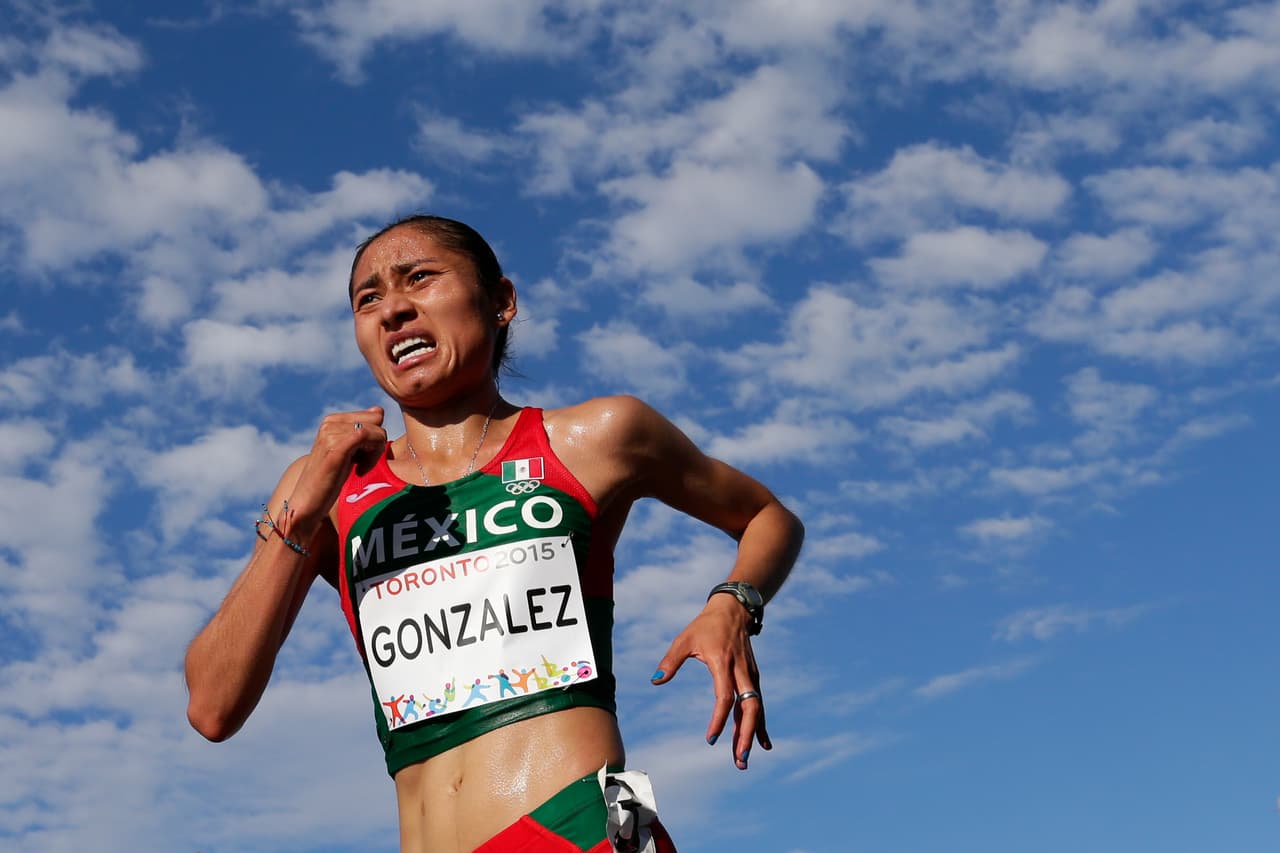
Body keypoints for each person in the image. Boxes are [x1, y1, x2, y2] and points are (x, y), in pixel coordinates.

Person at [184, 215, 804, 853]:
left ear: (501, 302)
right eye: (368, 299)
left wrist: (734, 600)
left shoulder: (596, 437)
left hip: (573, 828)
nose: (393, 308)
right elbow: (212, 707)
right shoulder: (326, 490)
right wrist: (303, 513)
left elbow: (768, 517)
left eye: (419, 278)